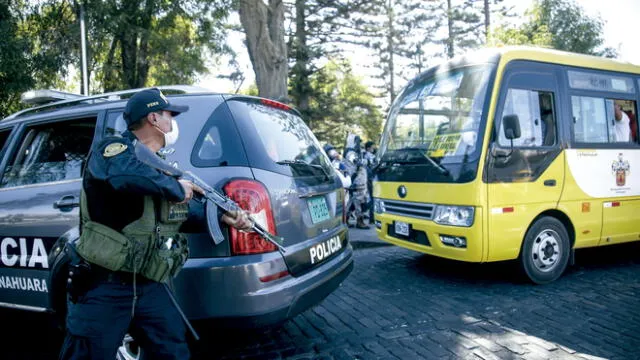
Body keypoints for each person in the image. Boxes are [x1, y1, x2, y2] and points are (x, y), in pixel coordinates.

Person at [59, 88, 252, 360]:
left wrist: (224, 218)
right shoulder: (112, 150)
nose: (174, 123)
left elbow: (179, 215)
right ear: (153, 119)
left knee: (172, 352)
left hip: (151, 284)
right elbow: (125, 175)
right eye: (169, 115)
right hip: (104, 286)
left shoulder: (161, 167)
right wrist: (175, 186)